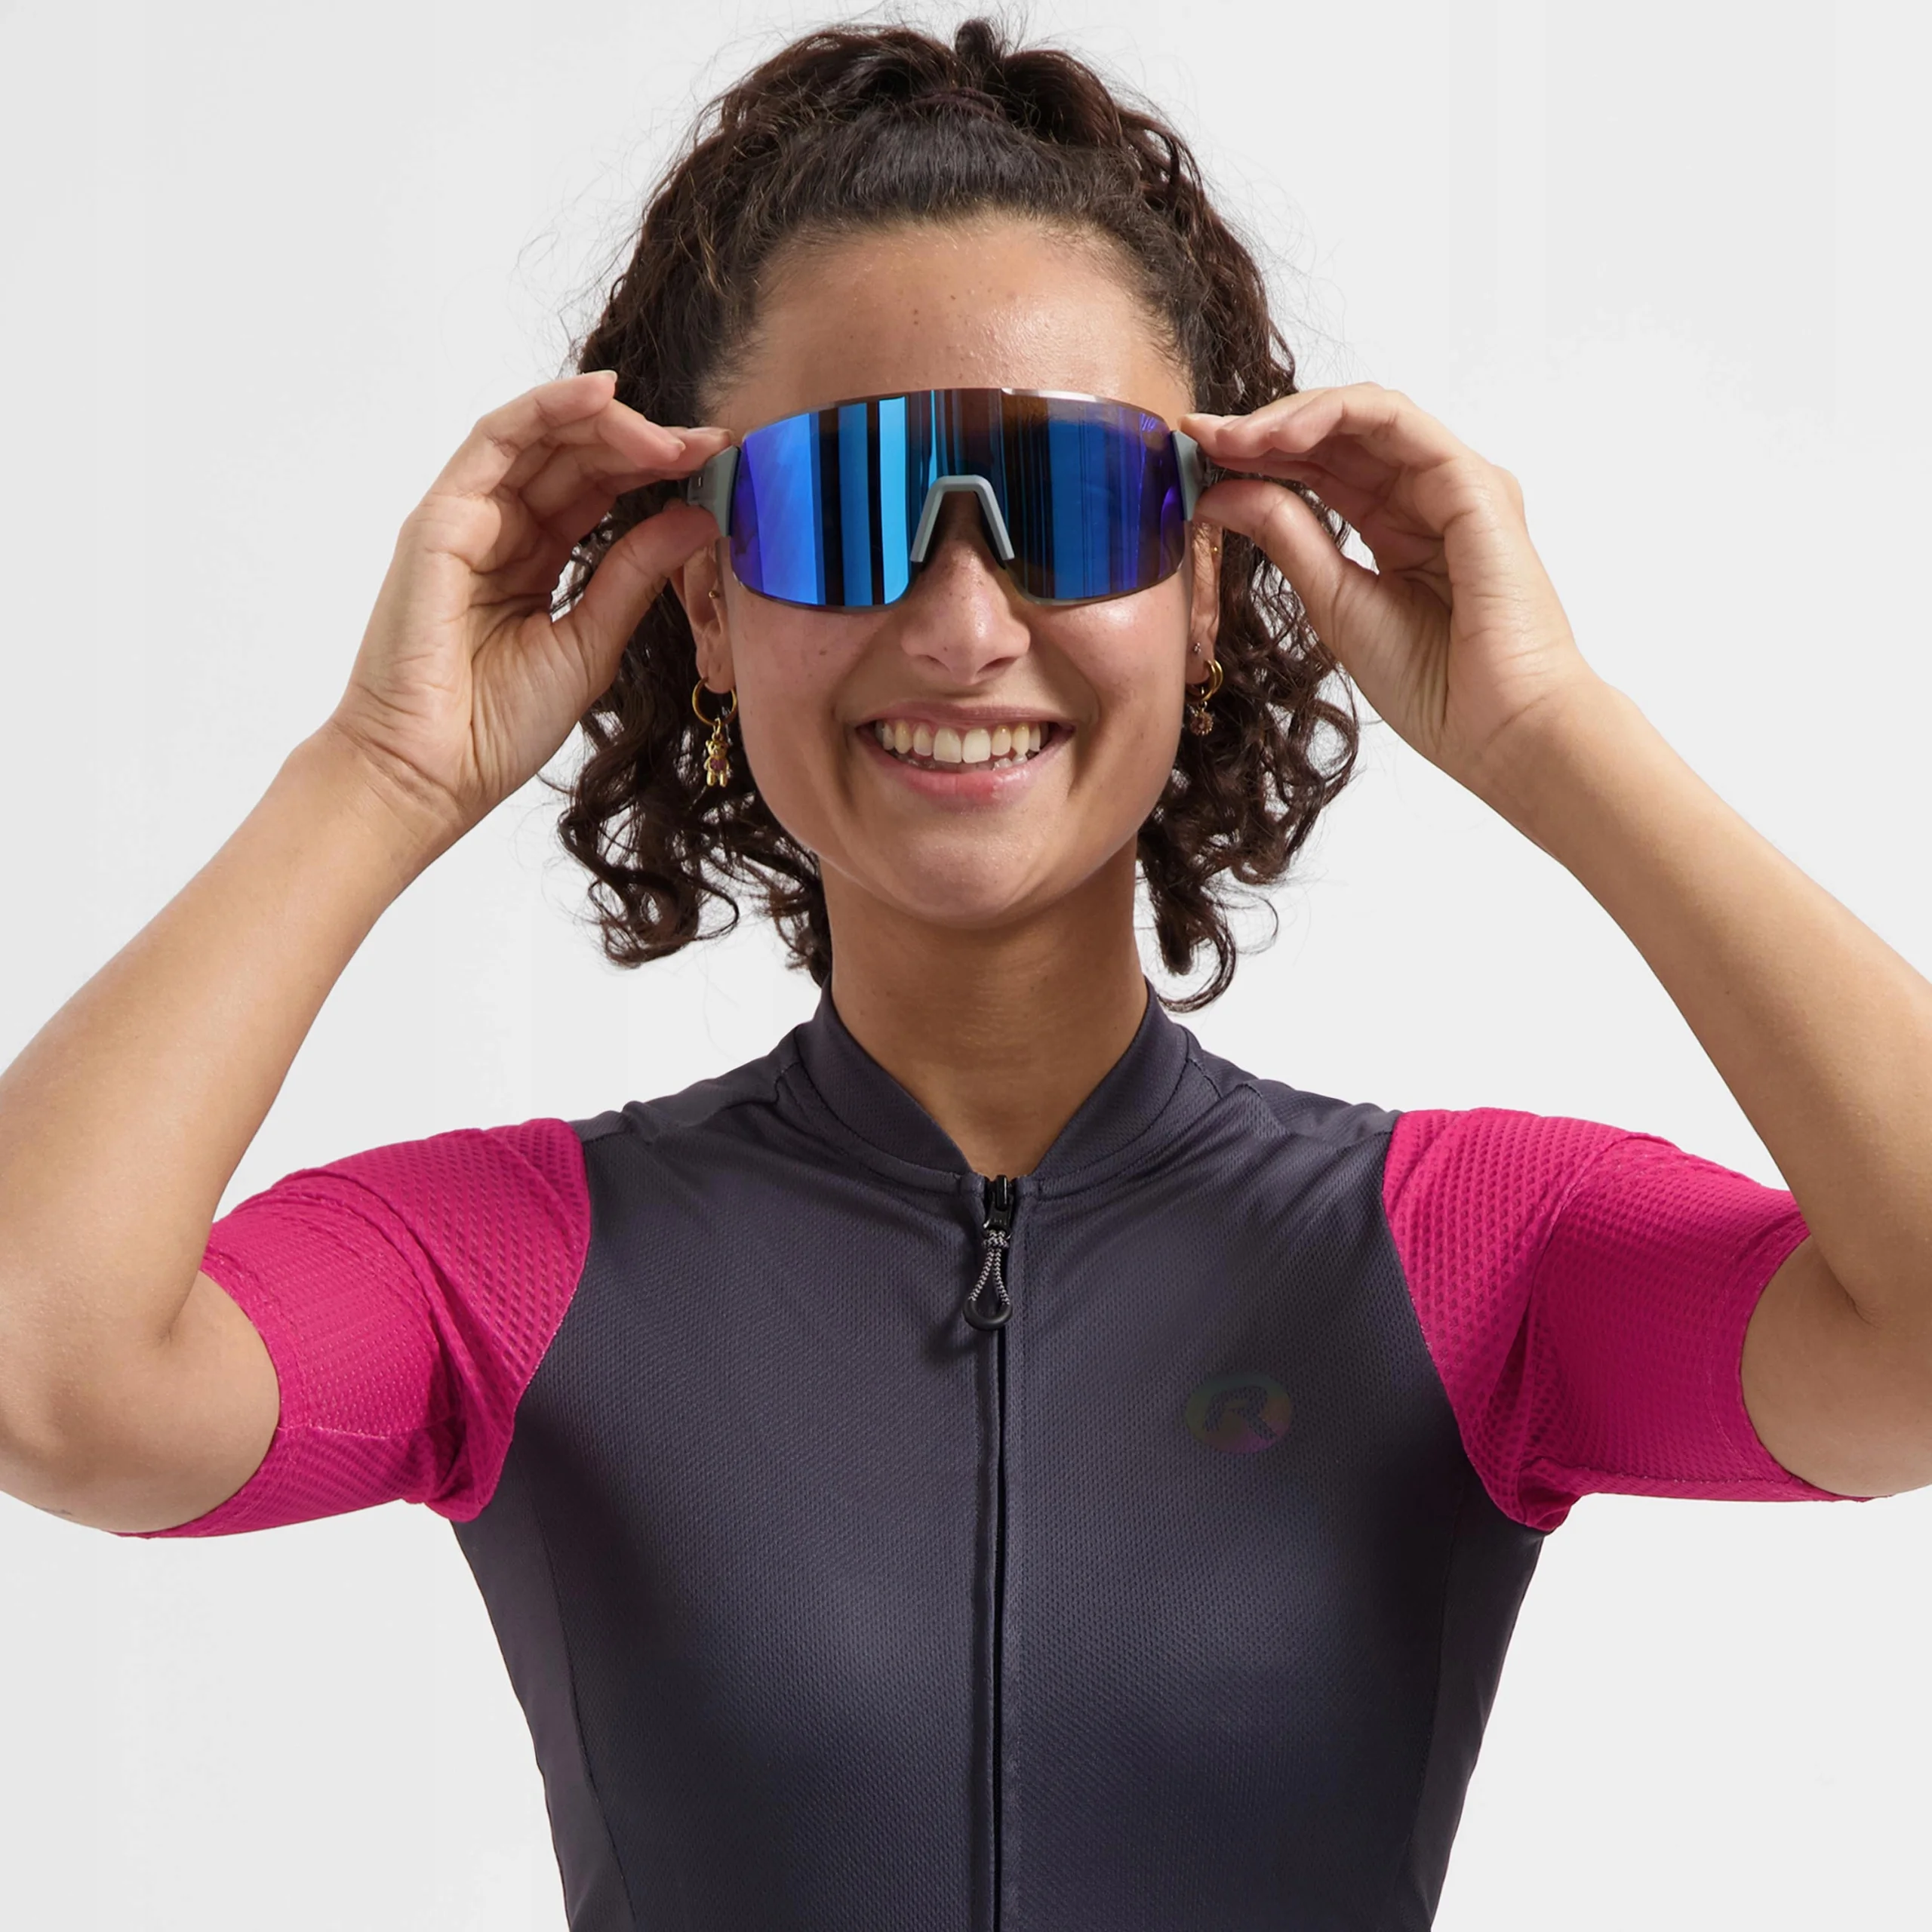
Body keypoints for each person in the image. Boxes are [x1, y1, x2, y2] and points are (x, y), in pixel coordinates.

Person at [1, 15, 1928, 1928]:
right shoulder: (517, 1262)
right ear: (706, 600)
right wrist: (380, 771)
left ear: (1200, 588)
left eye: (1070, 504)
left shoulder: (1463, 1250)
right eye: (843, 510)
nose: (957, 621)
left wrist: (1547, 731)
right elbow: (46, 1377)